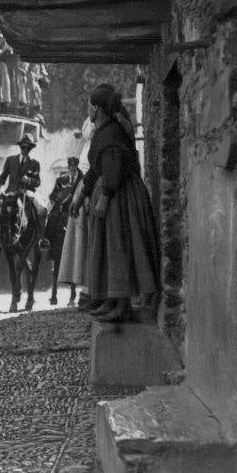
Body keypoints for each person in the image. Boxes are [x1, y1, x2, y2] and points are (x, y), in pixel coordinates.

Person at [70, 83, 161, 323]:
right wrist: (80, 195)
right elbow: (96, 169)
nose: (88, 109)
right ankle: (110, 299)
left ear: (97, 109)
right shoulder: (106, 130)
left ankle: (122, 305)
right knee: (109, 247)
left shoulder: (111, 133)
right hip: (113, 191)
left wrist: (104, 198)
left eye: (90, 105)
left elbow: (111, 169)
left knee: (117, 247)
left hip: (120, 196)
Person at [51, 157, 85, 306]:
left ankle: (73, 296)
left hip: (77, 210)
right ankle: (46, 242)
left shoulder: (82, 178)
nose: (72, 168)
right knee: (51, 218)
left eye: (74, 166)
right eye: (70, 166)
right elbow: (52, 195)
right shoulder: (61, 180)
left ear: (77, 166)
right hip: (62, 210)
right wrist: (60, 197)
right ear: (68, 166)